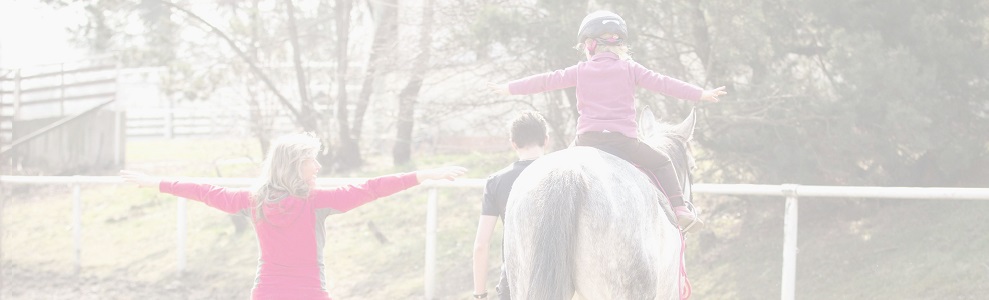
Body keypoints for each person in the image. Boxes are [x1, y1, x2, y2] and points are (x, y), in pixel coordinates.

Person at [119, 133, 467, 300]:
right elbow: (372, 187)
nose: (317, 166)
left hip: (265, 292)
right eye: (311, 161)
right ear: (294, 166)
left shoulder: (252, 200)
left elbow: (203, 191)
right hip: (310, 292)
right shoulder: (317, 201)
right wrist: (423, 175)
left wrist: (156, 182)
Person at [489, 10, 726, 233]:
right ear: (620, 45)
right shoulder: (631, 69)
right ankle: (681, 209)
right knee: (663, 162)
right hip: (623, 142)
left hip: (586, 141)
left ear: (589, 45)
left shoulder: (580, 71)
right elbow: (665, 83)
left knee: (558, 174)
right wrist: (700, 93)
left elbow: (544, 81)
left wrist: (508, 88)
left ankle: (541, 217)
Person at [471, 110, 549, 300]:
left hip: (513, 283)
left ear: (513, 143)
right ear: (546, 140)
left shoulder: (496, 182)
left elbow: (481, 244)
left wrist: (480, 295)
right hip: (558, 282)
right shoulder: (564, 176)